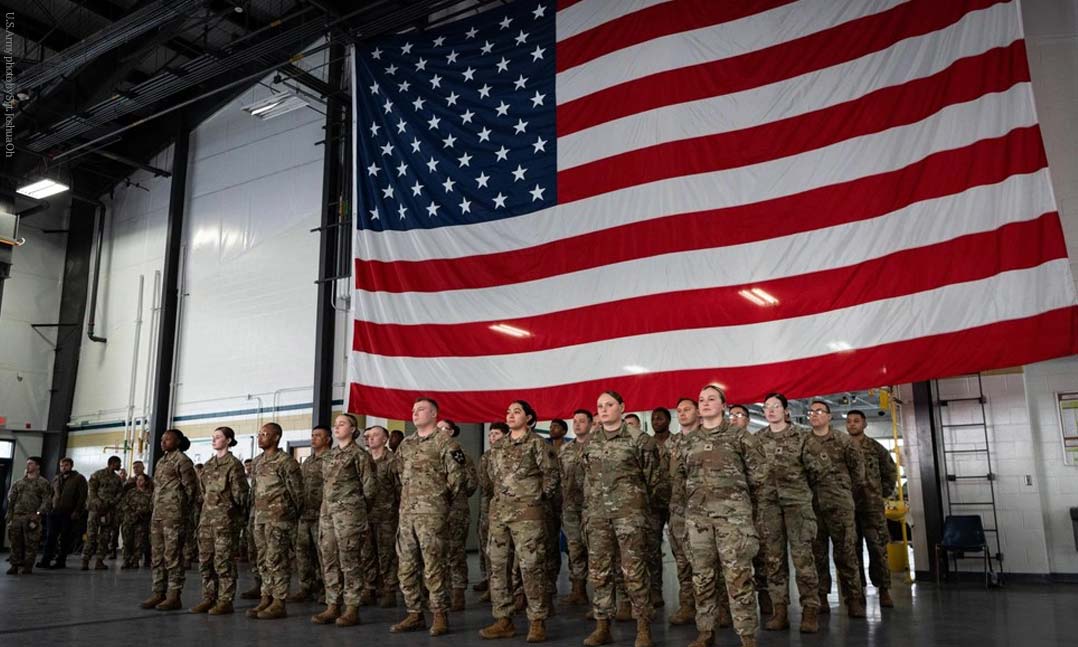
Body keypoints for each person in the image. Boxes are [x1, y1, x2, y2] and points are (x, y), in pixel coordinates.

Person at [675, 385, 766, 647]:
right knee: (702, 577)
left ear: (724, 405)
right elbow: (680, 478)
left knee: (738, 577)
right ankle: (705, 632)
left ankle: (747, 637)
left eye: (711, 399)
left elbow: (760, 478)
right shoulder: (687, 440)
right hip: (699, 521)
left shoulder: (740, 437)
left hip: (733, 520)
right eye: (701, 400)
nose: (704, 403)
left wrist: (747, 514)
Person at [581, 391, 661, 647]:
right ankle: (603, 625)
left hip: (630, 517)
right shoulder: (591, 443)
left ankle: (643, 628)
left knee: (634, 573)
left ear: (622, 408)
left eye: (609, 405)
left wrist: (641, 511)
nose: (603, 410)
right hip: (598, 518)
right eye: (599, 406)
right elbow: (589, 480)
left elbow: (654, 481)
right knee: (600, 574)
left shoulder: (640, 440)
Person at [479, 400, 559, 642]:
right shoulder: (498, 447)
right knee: (499, 568)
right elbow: (492, 477)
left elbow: (552, 475)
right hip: (500, 515)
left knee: (531, 566)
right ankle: (503, 619)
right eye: (508, 412)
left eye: (517, 412)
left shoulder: (537, 444)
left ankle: (537, 620)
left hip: (528, 516)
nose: (511, 415)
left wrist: (536, 499)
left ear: (529, 418)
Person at [390, 397, 467, 636]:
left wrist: (439, 502)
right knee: (406, 566)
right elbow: (397, 474)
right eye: (413, 409)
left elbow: (457, 479)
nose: (415, 413)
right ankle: (414, 614)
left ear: (434, 414)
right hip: (407, 514)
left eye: (421, 409)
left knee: (434, 566)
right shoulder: (407, 444)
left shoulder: (446, 442)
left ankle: (439, 614)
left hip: (432, 514)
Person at [752, 394, 826, 633]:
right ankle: (779, 610)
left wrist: (801, 491)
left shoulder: (803, 436)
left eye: (776, 407)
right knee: (773, 560)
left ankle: (810, 610)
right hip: (768, 506)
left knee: (804, 558)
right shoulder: (757, 440)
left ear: (786, 411)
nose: (771, 411)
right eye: (767, 407)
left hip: (797, 506)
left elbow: (819, 470)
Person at [312, 413, 377, 627]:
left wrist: (356, 510)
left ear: (353, 429)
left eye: (342, 424)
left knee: (349, 561)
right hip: (328, 514)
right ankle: (333, 604)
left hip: (350, 515)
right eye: (336, 424)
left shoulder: (359, 455)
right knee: (329, 559)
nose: (337, 427)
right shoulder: (328, 456)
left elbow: (369, 488)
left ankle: (351, 607)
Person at [805, 401, 867, 618]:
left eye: (819, 411)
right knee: (817, 555)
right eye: (811, 412)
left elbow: (859, 475)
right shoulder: (803, 442)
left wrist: (843, 493)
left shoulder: (844, 441)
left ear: (830, 416)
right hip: (812, 507)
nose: (814, 415)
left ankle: (853, 600)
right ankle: (821, 598)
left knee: (846, 553)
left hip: (839, 506)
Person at [247, 422, 304, 620]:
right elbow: (254, 490)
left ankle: (279, 601)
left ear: (276, 437)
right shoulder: (257, 461)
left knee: (277, 559)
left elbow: (297, 492)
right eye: (260, 434)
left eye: (265, 434)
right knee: (263, 559)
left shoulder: (286, 462)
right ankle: (266, 596)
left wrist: (289, 514)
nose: (261, 437)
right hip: (260, 518)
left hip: (279, 518)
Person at [189, 426, 249, 615]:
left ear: (228, 440)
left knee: (223, 562)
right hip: (207, 521)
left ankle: (225, 600)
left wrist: (235, 516)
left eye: (218, 437)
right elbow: (203, 492)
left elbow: (241, 496)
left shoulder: (233, 465)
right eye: (212, 437)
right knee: (205, 561)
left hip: (226, 522)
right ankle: (209, 598)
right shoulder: (207, 465)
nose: (214, 440)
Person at [141, 429, 199, 611]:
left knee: (173, 555)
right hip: (158, 514)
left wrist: (182, 510)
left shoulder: (182, 461)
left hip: (174, 516)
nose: (163, 442)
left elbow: (191, 490)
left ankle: (174, 595)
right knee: (157, 555)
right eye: (162, 439)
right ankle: (158, 592)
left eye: (168, 439)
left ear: (178, 441)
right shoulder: (162, 461)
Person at [846, 409, 898, 609]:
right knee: (852, 550)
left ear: (864, 424)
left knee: (877, 549)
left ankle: (883, 589)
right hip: (849, 507)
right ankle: (857, 591)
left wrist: (880, 493)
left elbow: (890, 471)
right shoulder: (842, 448)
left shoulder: (875, 448)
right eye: (849, 421)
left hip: (872, 507)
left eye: (856, 421)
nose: (852, 424)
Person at [727, 403, 769, 616]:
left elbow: (760, 478)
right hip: (731, 515)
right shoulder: (723, 442)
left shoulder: (754, 442)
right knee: (735, 562)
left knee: (762, 557)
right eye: (731, 415)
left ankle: (766, 600)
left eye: (739, 415)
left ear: (748, 420)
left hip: (756, 509)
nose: (734, 419)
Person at [437, 419, 479, 611]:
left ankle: (458, 592)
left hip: (455, 509)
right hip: (434, 510)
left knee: (455, 552)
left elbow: (471, 482)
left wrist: (456, 496)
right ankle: (440, 593)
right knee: (437, 553)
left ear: (452, 432)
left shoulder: (458, 453)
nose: (439, 431)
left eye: (443, 428)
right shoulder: (431, 453)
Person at [668, 397, 701, 626]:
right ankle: (687, 605)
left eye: (687, 409)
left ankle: (718, 608)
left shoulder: (707, 438)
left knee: (708, 562)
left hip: (703, 511)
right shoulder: (672, 443)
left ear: (698, 412)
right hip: (678, 511)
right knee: (682, 562)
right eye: (678, 410)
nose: (682, 413)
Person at [363, 424, 402, 608]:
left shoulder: (392, 461)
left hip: (387, 515)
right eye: (369, 435)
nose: (371, 438)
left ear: (385, 439)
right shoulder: (363, 459)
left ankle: (389, 589)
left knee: (387, 554)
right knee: (367, 553)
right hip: (366, 514)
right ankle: (370, 587)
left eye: (375, 435)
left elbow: (399, 488)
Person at [291, 425, 330, 604]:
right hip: (305, 514)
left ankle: (326, 589)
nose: (314, 439)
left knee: (323, 554)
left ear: (327, 439)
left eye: (318, 436)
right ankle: (306, 586)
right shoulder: (308, 461)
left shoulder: (331, 459)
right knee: (302, 553)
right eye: (312, 435)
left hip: (323, 515)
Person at [559, 410, 591, 607]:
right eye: (575, 421)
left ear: (590, 423)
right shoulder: (565, 450)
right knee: (574, 548)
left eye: (582, 421)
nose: (577, 424)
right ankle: (578, 590)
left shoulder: (597, 446)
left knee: (596, 550)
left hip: (593, 506)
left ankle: (606, 598)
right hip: (571, 506)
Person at [477, 422, 509, 602]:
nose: (492, 438)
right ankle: (491, 584)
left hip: (511, 508)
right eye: (490, 435)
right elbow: (484, 483)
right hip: (490, 506)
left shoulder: (510, 452)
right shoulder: (486, 457)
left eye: (496, 434)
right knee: (488, 547)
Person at [6, 456, 52, 574]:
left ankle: (27, 566)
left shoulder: (43, 483)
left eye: (31, 464)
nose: (28, 466)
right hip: (17, 516)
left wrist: (38, 514)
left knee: (31, 543)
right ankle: (14, 565)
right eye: (27, 463)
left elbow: (47, 501)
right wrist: (10, 517)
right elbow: (11, 500)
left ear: (37, 466)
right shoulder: (19, 483)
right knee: (15, 542)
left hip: (32, 517)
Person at [647, 408, 674, 609]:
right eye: (654, 418)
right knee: (652, 549)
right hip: (653, 502)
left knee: (682, 549)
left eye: (660, 418)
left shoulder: (678, 442)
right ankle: (655, 590)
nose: (656, 421)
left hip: (677, 501)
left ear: (668, 420)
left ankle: (690, 596)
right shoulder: (646, 444)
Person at [40, 457, 87, 569]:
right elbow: (51, 494)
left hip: (68, 512)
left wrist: (77, 511)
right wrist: (48, 508)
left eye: (66, 465)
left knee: (65, 538)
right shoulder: (56, 478)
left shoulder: (78, 478)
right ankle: (46, 560)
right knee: (50, 536)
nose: (63, 467)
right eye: (61, 465)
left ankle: (61, 561)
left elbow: (82, 496)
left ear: (71, 466)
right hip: (54, 512)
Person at [82, 455, 123, 571]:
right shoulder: (98, 475)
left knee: (105, 537)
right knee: (91, 535)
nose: (120, 466)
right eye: (118, 463)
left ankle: (99, 561)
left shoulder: (117, 479)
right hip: (95, 510)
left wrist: (111, 503)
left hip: (109, 510)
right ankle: (85, 560)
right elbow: (92, 490)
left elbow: (120, 493)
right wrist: (98, 502)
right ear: (112, 463)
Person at [120, 473, 153, 569]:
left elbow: (151, 507)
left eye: (141, 480)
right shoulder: (131, 492)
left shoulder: (149, 494)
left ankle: (135, 560)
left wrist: (141, 512)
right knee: (127, 541)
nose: (139, 482)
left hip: (141, 521)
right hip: (129, 520)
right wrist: (131, 512)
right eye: (138, 480)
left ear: (146, 482)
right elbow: (124, 504)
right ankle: (126, 560)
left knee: (139, 542)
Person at [184, 463, 205, 570]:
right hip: (191, 510)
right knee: (189, 534)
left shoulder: (205, 482)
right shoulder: (191, 482)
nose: (198, 473)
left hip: (202, 511)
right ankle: (188, 556)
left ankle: (197, 554)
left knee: (200, 534)